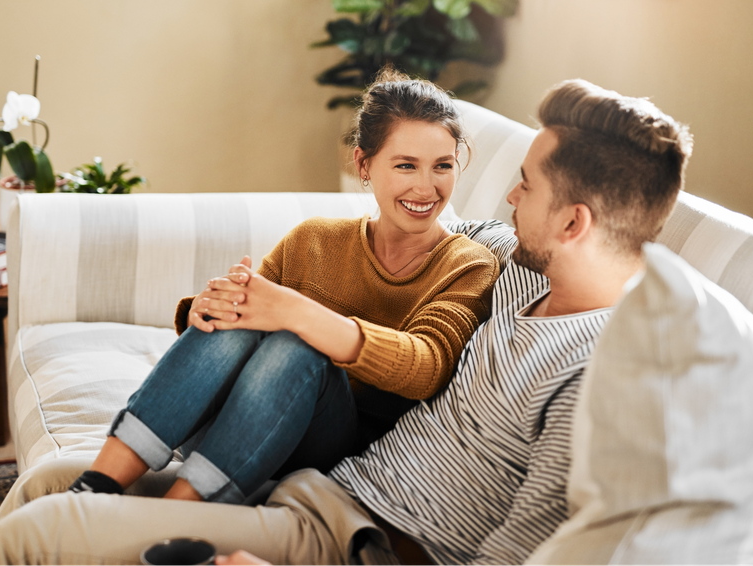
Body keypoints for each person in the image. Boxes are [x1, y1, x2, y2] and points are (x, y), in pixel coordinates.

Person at [0, 78, 692, 566]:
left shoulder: (601, 374)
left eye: (525, 186)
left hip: (352, 536)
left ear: (572, 221)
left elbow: (518, 551)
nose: (504, 194)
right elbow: (403, 225)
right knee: (49, 482)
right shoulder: (511, 265)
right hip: (323, 479)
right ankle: (126, 501)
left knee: (47, 530)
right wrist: (214, 305)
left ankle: (150, 517)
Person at [63, 68, 500, 505]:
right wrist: (206, 307)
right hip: (223, 430)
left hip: (325, 448)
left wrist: (297, 314)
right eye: (406, 165)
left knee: (299, 346)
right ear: (364, 164)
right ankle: (94, 488)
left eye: (442, 166)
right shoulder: (314, 239)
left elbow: (426, 367)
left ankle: (176, 512)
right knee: (247, 305)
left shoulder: (467, 265)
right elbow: (243, 324)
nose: (426, 187)